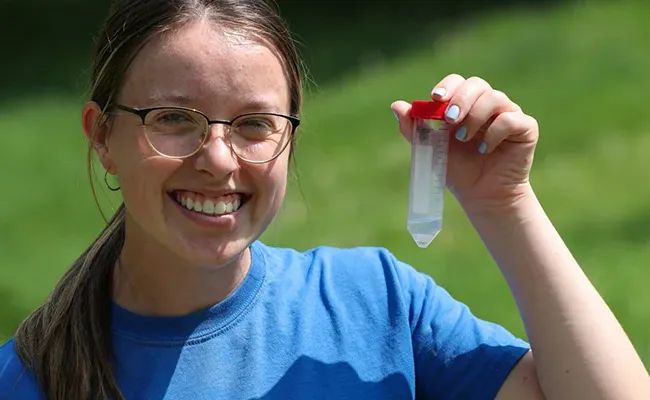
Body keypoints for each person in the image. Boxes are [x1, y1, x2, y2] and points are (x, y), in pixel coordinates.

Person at [1, 0, 649, 399]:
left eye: (254, 124)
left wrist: (505, 206)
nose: (220, 158)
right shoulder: (27, 379)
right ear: (103, 137)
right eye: (174, 118)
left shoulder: (376, 307)